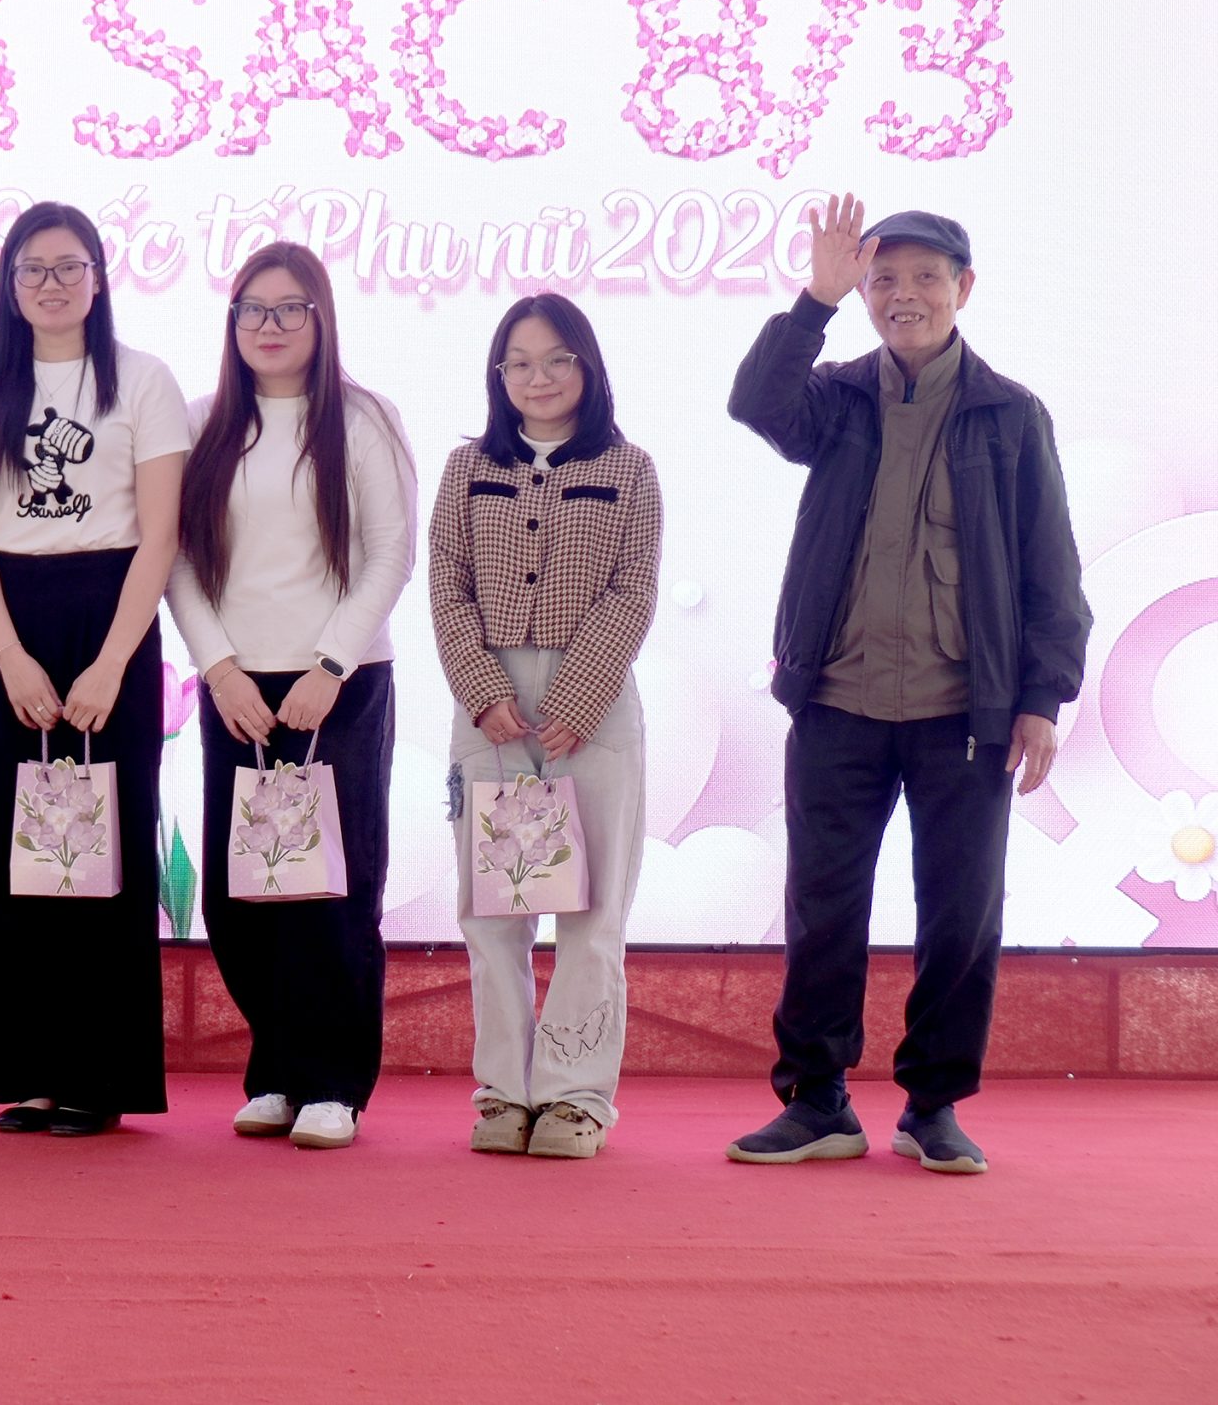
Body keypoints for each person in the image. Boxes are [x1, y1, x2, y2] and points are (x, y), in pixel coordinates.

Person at [724, 198, 1088, 1175]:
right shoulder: (837, 397)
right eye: (884, 278)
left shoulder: (1010, 415)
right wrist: (815, 299)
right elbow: (756, 402)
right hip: (835, 704)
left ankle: (933, 1105)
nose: (904, 295)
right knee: (823, 910)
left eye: (926, 277)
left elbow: (1051, 568)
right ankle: (817, 1101)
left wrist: (1042, 698)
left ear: (964, 288)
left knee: (960, 916)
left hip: (962, 715)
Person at [0, 199, 191, 1137]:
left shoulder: (143, 379)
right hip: (6, 621)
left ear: (98, 277)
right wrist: (6, 655)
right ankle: (27, 1071)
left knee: (101, 853)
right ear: (10, 285)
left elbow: (160, 534)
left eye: (68, 266)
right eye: (32, 269)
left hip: (109, 615)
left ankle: (96, 1075)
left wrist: (111, 664)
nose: (51, 284)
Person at [168, 242, 417, 1152]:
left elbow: (390, 553)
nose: (268, 326)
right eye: (252, 310)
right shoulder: (201, 423)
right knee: (241, 896)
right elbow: (176, 560)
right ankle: (276, 1068)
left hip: (339, 683)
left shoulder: (364, 418)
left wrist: (330, 666)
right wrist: (218, 667)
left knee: (331, 894)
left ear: (321, 318)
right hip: (237, 684)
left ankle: (332, 1084)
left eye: (288, 308)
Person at [429, 292, 662, 1161]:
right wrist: (482, 687)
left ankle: (573, 1095)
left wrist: (579, 697)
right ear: (499, 375)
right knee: (495, 911)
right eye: (520, 362)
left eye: (558, 359)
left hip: (590, 710)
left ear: (587, 368)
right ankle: (503, 1091)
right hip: (489, 707)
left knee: (592, 911)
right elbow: (447, 584)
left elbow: (633, 589)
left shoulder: (630, 468)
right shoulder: (466, 469)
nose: (539, 377)